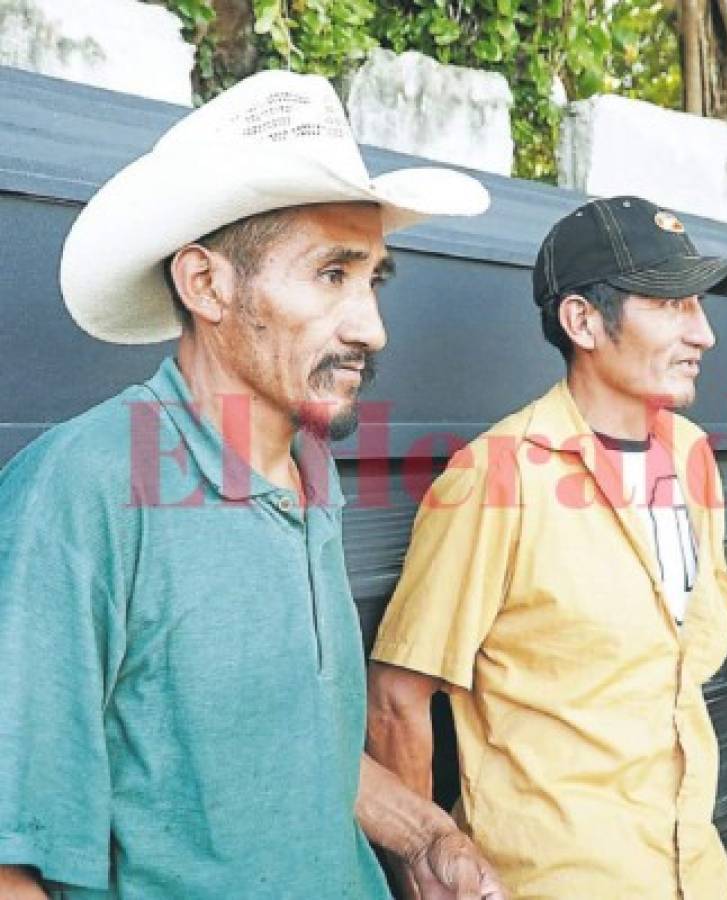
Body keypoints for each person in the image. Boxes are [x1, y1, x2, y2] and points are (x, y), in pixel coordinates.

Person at [0, 70, 504, 899]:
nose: (370, 328)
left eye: (373, 278)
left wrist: (425, 839)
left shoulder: (309, 474)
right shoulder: (82, 489)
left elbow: (293, 744)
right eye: (332, 273)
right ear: (206, 285)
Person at [366, 196, 727, 898]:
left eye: (699, 305)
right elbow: (397, 699)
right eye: (669, 305)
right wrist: (420, 869)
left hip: (692, 866)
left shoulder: (692, 455)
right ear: (581, 321)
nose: (703, 334)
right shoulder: (496, 475)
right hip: (559, 877)